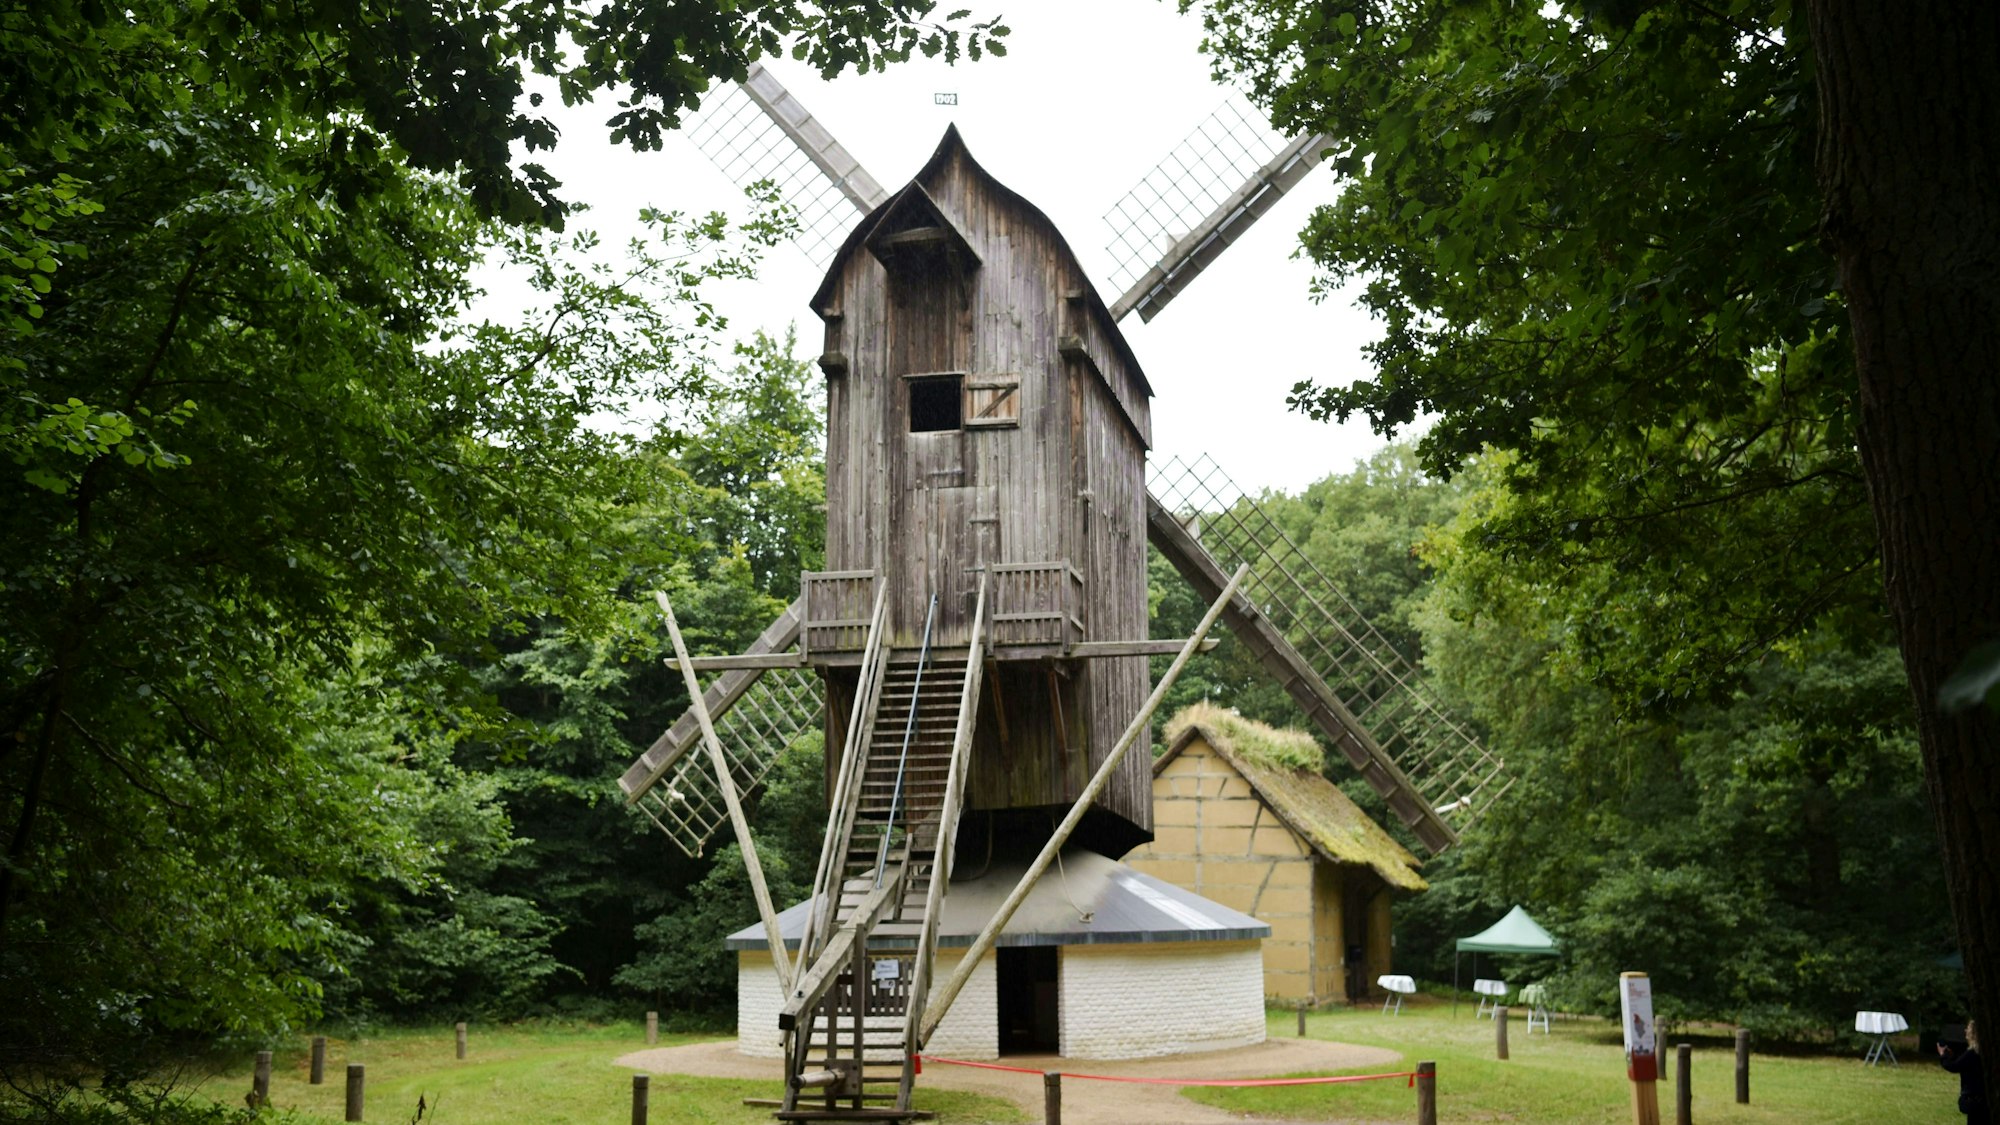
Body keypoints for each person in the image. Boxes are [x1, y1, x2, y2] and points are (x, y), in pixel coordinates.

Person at [1939, 1019, 1987, 1124]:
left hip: (1975, 1098)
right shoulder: (1983, 1052)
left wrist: (1943, 1055)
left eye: (1968, 1029)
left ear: (1974, 1033)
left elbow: (1954, 1066)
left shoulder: (1972, 1053)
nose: (1965, 1031)